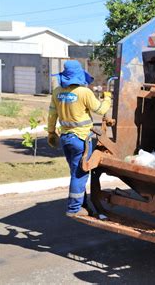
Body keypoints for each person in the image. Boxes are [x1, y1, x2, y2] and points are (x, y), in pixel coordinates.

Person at [47, 60, 112, 217]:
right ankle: (74, 208)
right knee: (80, 173)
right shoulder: (84, 92)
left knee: (75, 171)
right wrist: (108, 98)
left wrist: (51, 133)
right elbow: (101, 109)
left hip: (65, 138)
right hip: (81, 139)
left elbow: (52, 115)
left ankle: (82, 205)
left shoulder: (57, 92)